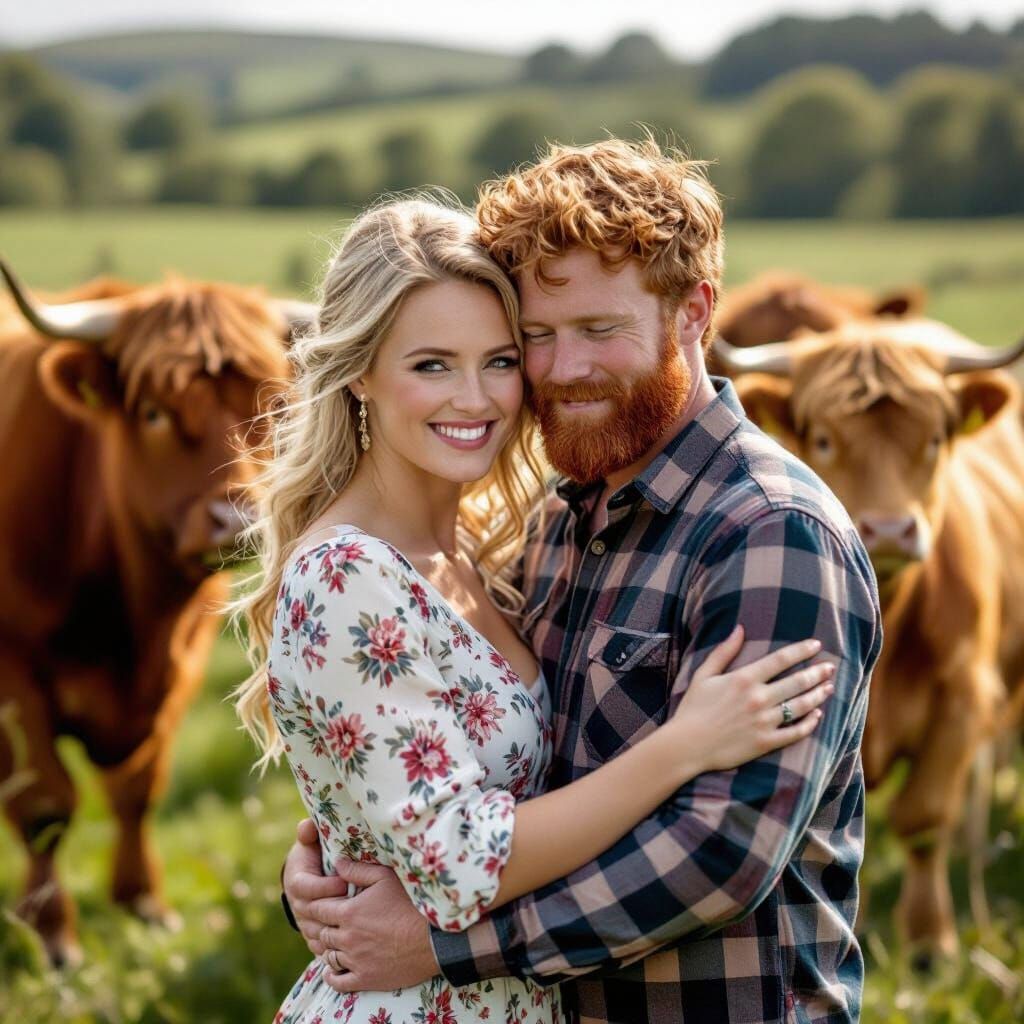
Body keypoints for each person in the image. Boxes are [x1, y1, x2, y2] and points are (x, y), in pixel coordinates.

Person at [281, 143, 883, 1024]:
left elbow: (721, 853)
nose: (562, 370)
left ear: (693, 312)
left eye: (599, 331)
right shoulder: (557, 529)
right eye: (536, 338)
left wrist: (445, 947)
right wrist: (330, 877)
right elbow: (453, 790)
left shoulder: (770, 533)